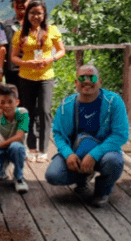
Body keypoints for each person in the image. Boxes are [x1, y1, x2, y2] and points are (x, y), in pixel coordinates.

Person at [45, 65, 128, 207]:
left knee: (114, 161)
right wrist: (68, 154)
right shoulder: (66, 105)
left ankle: (102, 191)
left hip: (105, 153)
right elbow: (58, 133)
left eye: (92, 77)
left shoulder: (113, 101)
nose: (87, 81)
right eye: (82, 78)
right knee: (53, 175)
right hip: (76, 152)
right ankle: (83, 178)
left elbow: (120, 135)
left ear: (100, 82)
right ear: (76, 82)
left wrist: (94, 155)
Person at [11, 0, 66, 162]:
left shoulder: (52, 30)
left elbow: (62, 50)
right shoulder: (20, 33)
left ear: (44, 14)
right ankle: (31, 147)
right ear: (27, 14)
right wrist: (26, 63)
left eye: (39, 13)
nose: (35, 16)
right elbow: (13, 57)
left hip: (46, 77)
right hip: (26, 77)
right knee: (27, 112)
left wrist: (50, 59)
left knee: (44, 111)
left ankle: (43, 148)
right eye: (32, 13)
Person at [0, 84, 29, 193]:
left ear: (17, 102)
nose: (6, 105)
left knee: (16, 147)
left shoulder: (22, 113)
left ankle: (19, 178)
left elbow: (19, 137)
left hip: (15, 148)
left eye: (10, 102)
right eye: (2, 102)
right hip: (2, 149)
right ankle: (2, 170)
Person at [3, 0, 31, 88]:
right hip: (12, 71)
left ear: (30, 3)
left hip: (31, 70)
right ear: (13, 5)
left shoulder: (35, 23)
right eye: (17, 2)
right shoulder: (6, 24)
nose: (20, 5)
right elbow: (3, 48)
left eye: (23, 2)